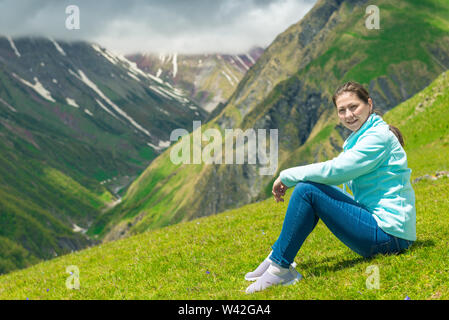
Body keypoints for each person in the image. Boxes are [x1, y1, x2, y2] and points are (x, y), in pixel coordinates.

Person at [245, 81, 416, 294]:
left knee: (306, 190)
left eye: (354, 107)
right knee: (310, 189)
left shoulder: (377, 138)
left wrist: (287, 176)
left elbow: (337, 171)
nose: (348, 115)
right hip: (386, 229)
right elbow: (335, 175)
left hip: (390, 237)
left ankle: (280, 269)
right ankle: (276, 258)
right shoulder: (362, 136)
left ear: (369, 104)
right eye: (342, 110)